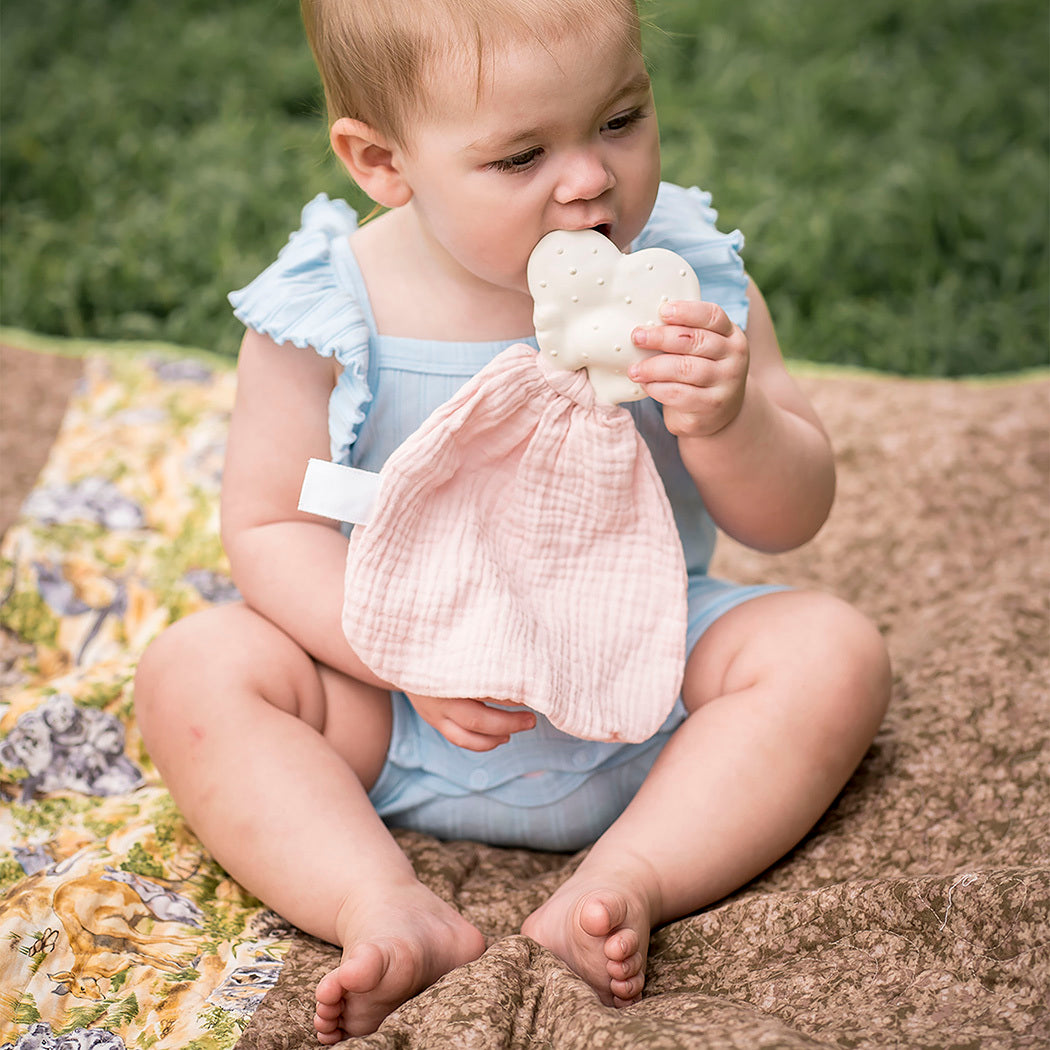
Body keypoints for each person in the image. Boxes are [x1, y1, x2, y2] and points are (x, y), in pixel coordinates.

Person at [133, 0, 892, 1042]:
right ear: (383, 163)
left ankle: (627, 880)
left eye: (620, 119)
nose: (589, 178)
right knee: (196, 669)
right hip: (393, 705)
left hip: (646, 676)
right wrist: (403, 654)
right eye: (522, 154)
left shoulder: (692, 281)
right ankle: (378, 902)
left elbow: (791, 515)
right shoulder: (333, 306)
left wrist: (729, 418)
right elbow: (270, 527)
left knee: (831, 651)